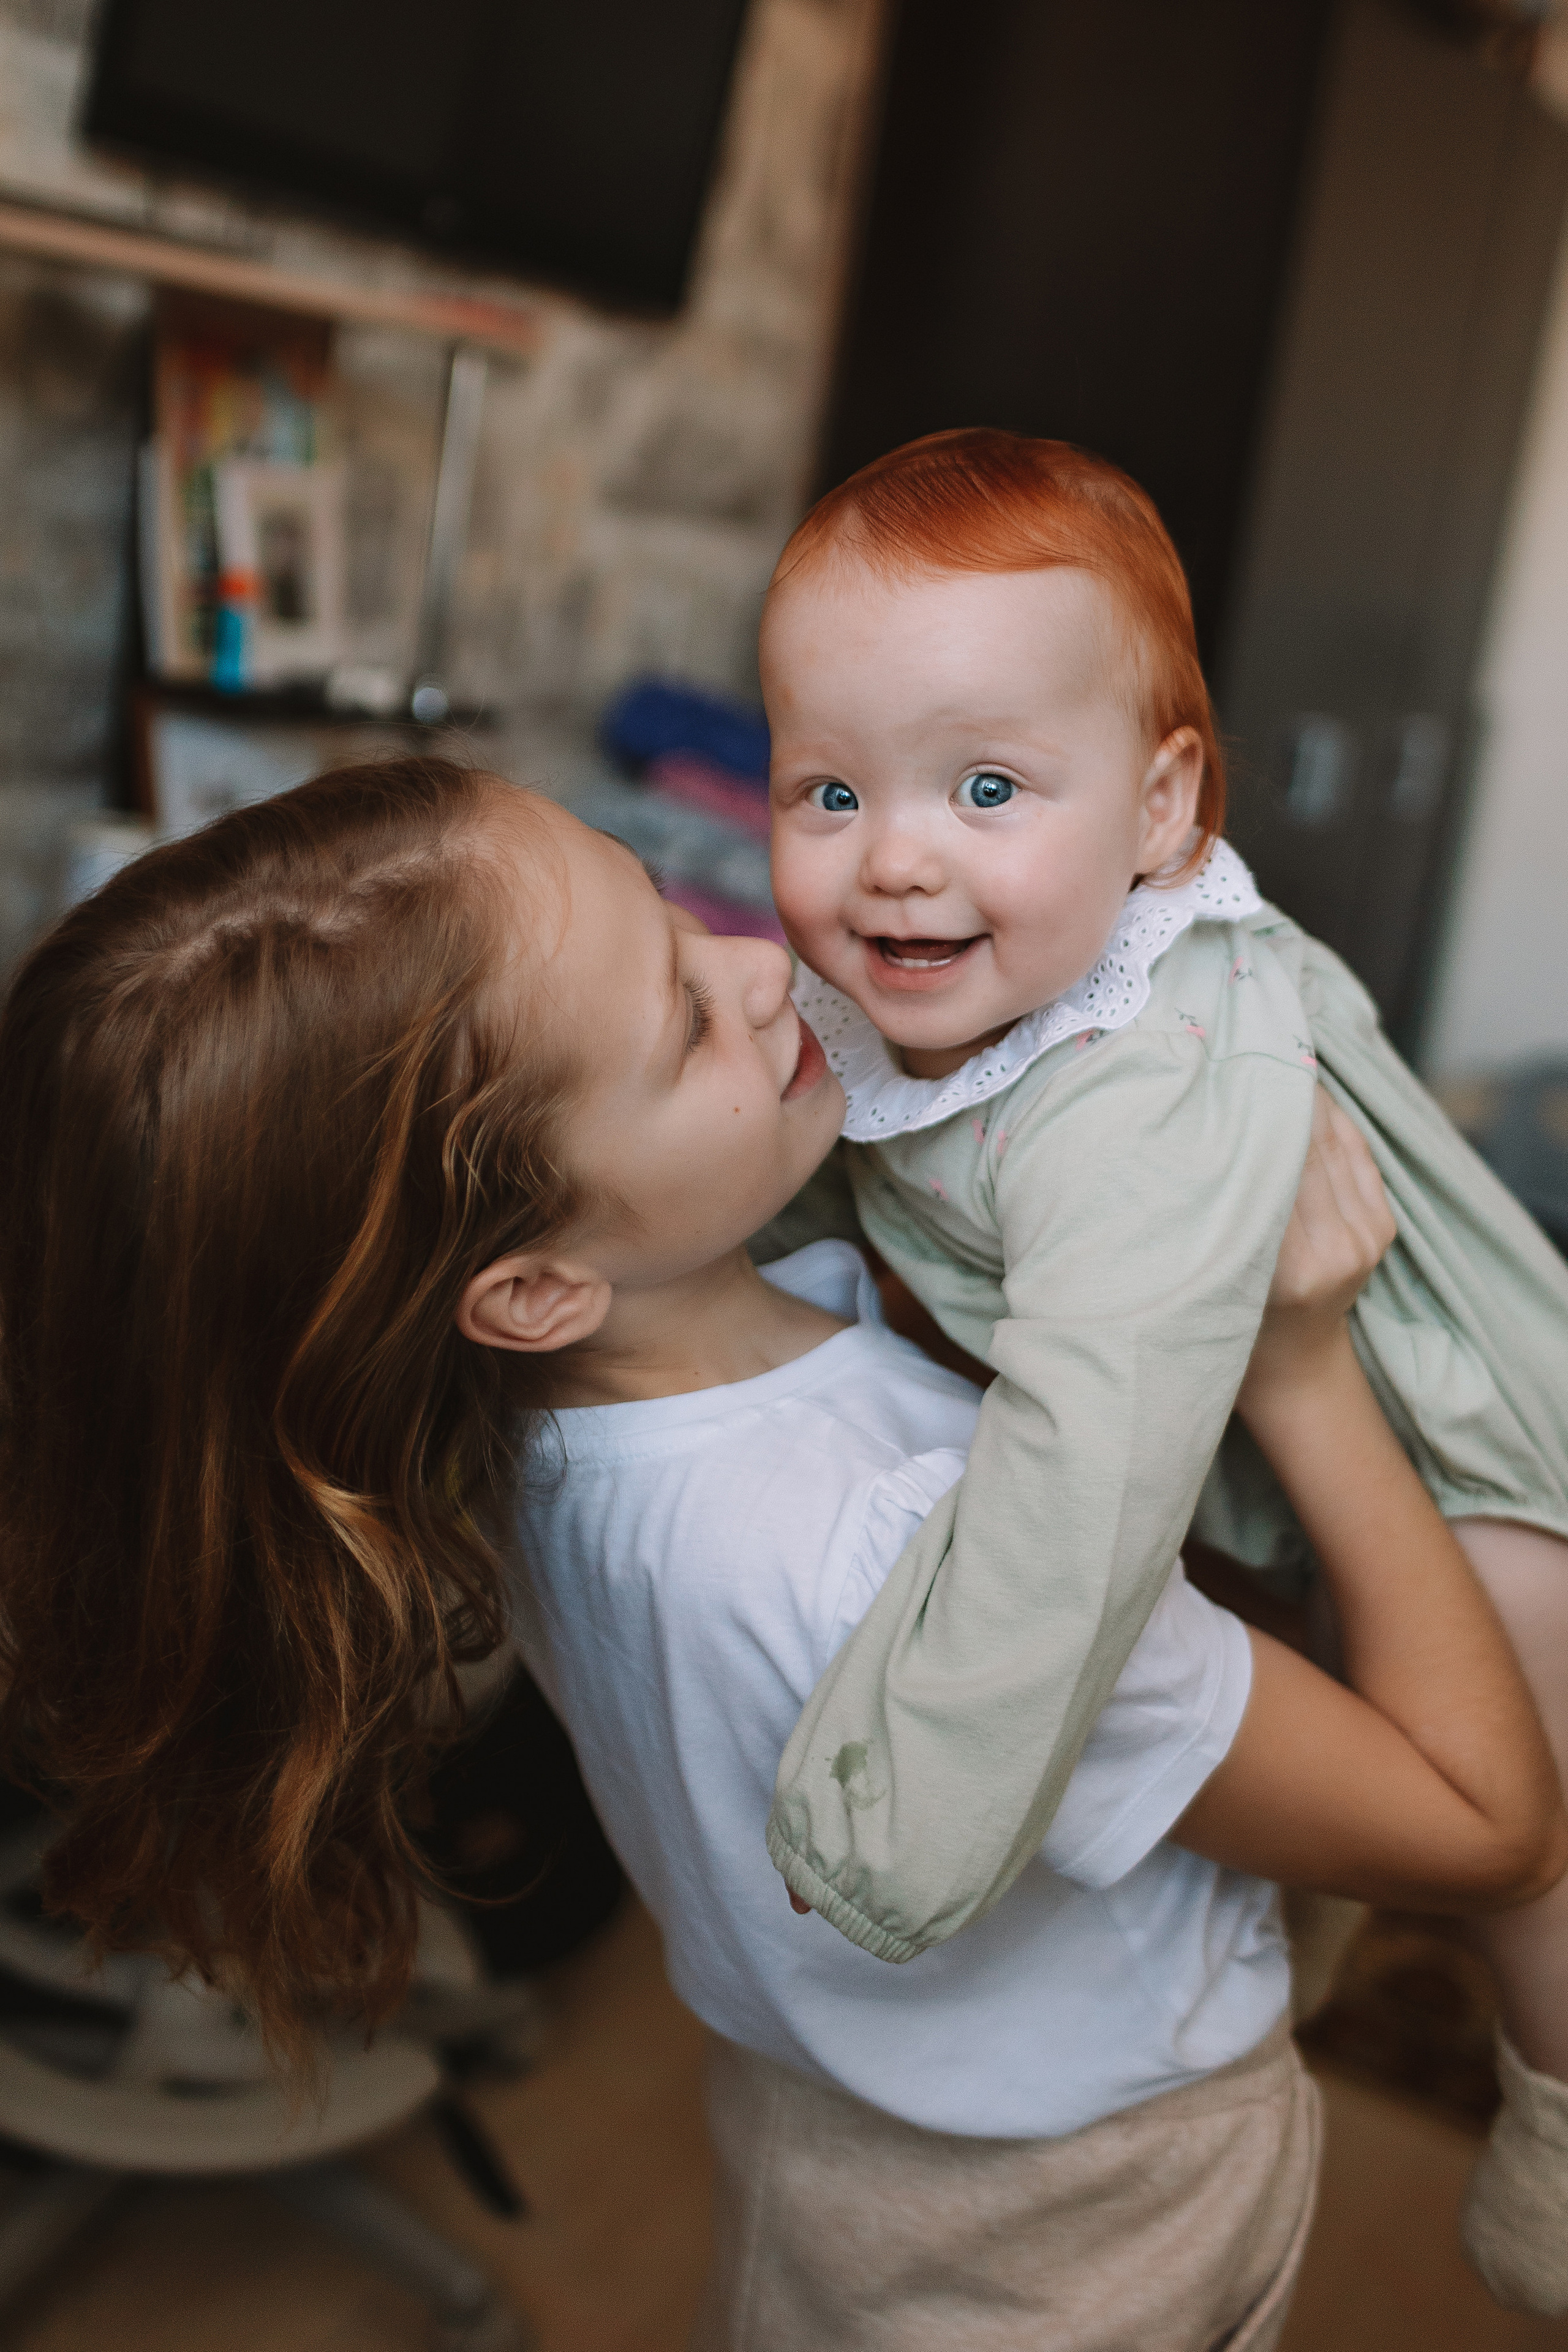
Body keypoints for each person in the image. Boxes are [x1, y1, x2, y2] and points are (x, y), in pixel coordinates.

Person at [1, 754, 1559, 2350]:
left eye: (675, 914)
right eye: (682, 1020)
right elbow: (1489, 1829)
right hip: (1093, 2226)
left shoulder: (524, 1432)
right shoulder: (911, 1564)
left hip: (835, 2161)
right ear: (534, 1287)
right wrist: (1304, 1373)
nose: (760, 963)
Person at [756, 428, 1568, 2310]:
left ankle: (1555, 2131)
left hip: (1482, 1458)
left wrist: (902, 1819)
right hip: (1273, 1480)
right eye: (824, 787)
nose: (895, 857)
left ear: (1161, 810)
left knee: (1529, 1837)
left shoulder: (1143, 1071)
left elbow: (1083, 1470)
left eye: (982, 784)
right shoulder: (948, 966)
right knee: (1331, 1771)